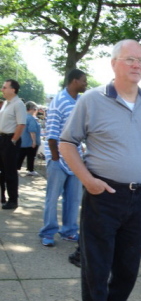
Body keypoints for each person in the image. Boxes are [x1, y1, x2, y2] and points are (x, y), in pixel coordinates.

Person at [59, 39, 141, 301]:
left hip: (138, 199)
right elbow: (66, 143)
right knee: (96, 270)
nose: (137, 65)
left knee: (128, 272)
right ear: (114, 63)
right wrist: (88, 180)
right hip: (103, 197)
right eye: (130, 59)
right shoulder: (92, 100)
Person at [38, 69, 87, 247]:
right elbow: (52, 134)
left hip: (76, 158)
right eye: (83, 81)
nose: (85, 84)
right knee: (53, 197)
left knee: (73, 198)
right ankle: (48, 232)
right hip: (58, 157)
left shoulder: (81, 101)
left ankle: (69, 231)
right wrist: (56, 159)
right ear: (74, 81)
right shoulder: (58, 102)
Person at [0, 79, 27, 209]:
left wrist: (13, 141)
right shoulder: (6, 103)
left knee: (10, 171)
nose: (2, 89)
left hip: (10, 139)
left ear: (13, 89)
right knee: (2, 170)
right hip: (2, 138)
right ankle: (3, 195)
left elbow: (21, 124)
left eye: (5, 87)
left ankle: (13, 200)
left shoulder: (18, 104)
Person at [17, 101, 41, 175]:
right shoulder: (31, 119)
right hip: (30, 142)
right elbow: (32, 131)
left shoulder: (23, 117)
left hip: (23, 140)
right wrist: (34, 141)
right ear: (32, 109)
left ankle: (16, 168)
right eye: (35, 108)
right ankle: (30, 170)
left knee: (20, 155)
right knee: (31, 156)